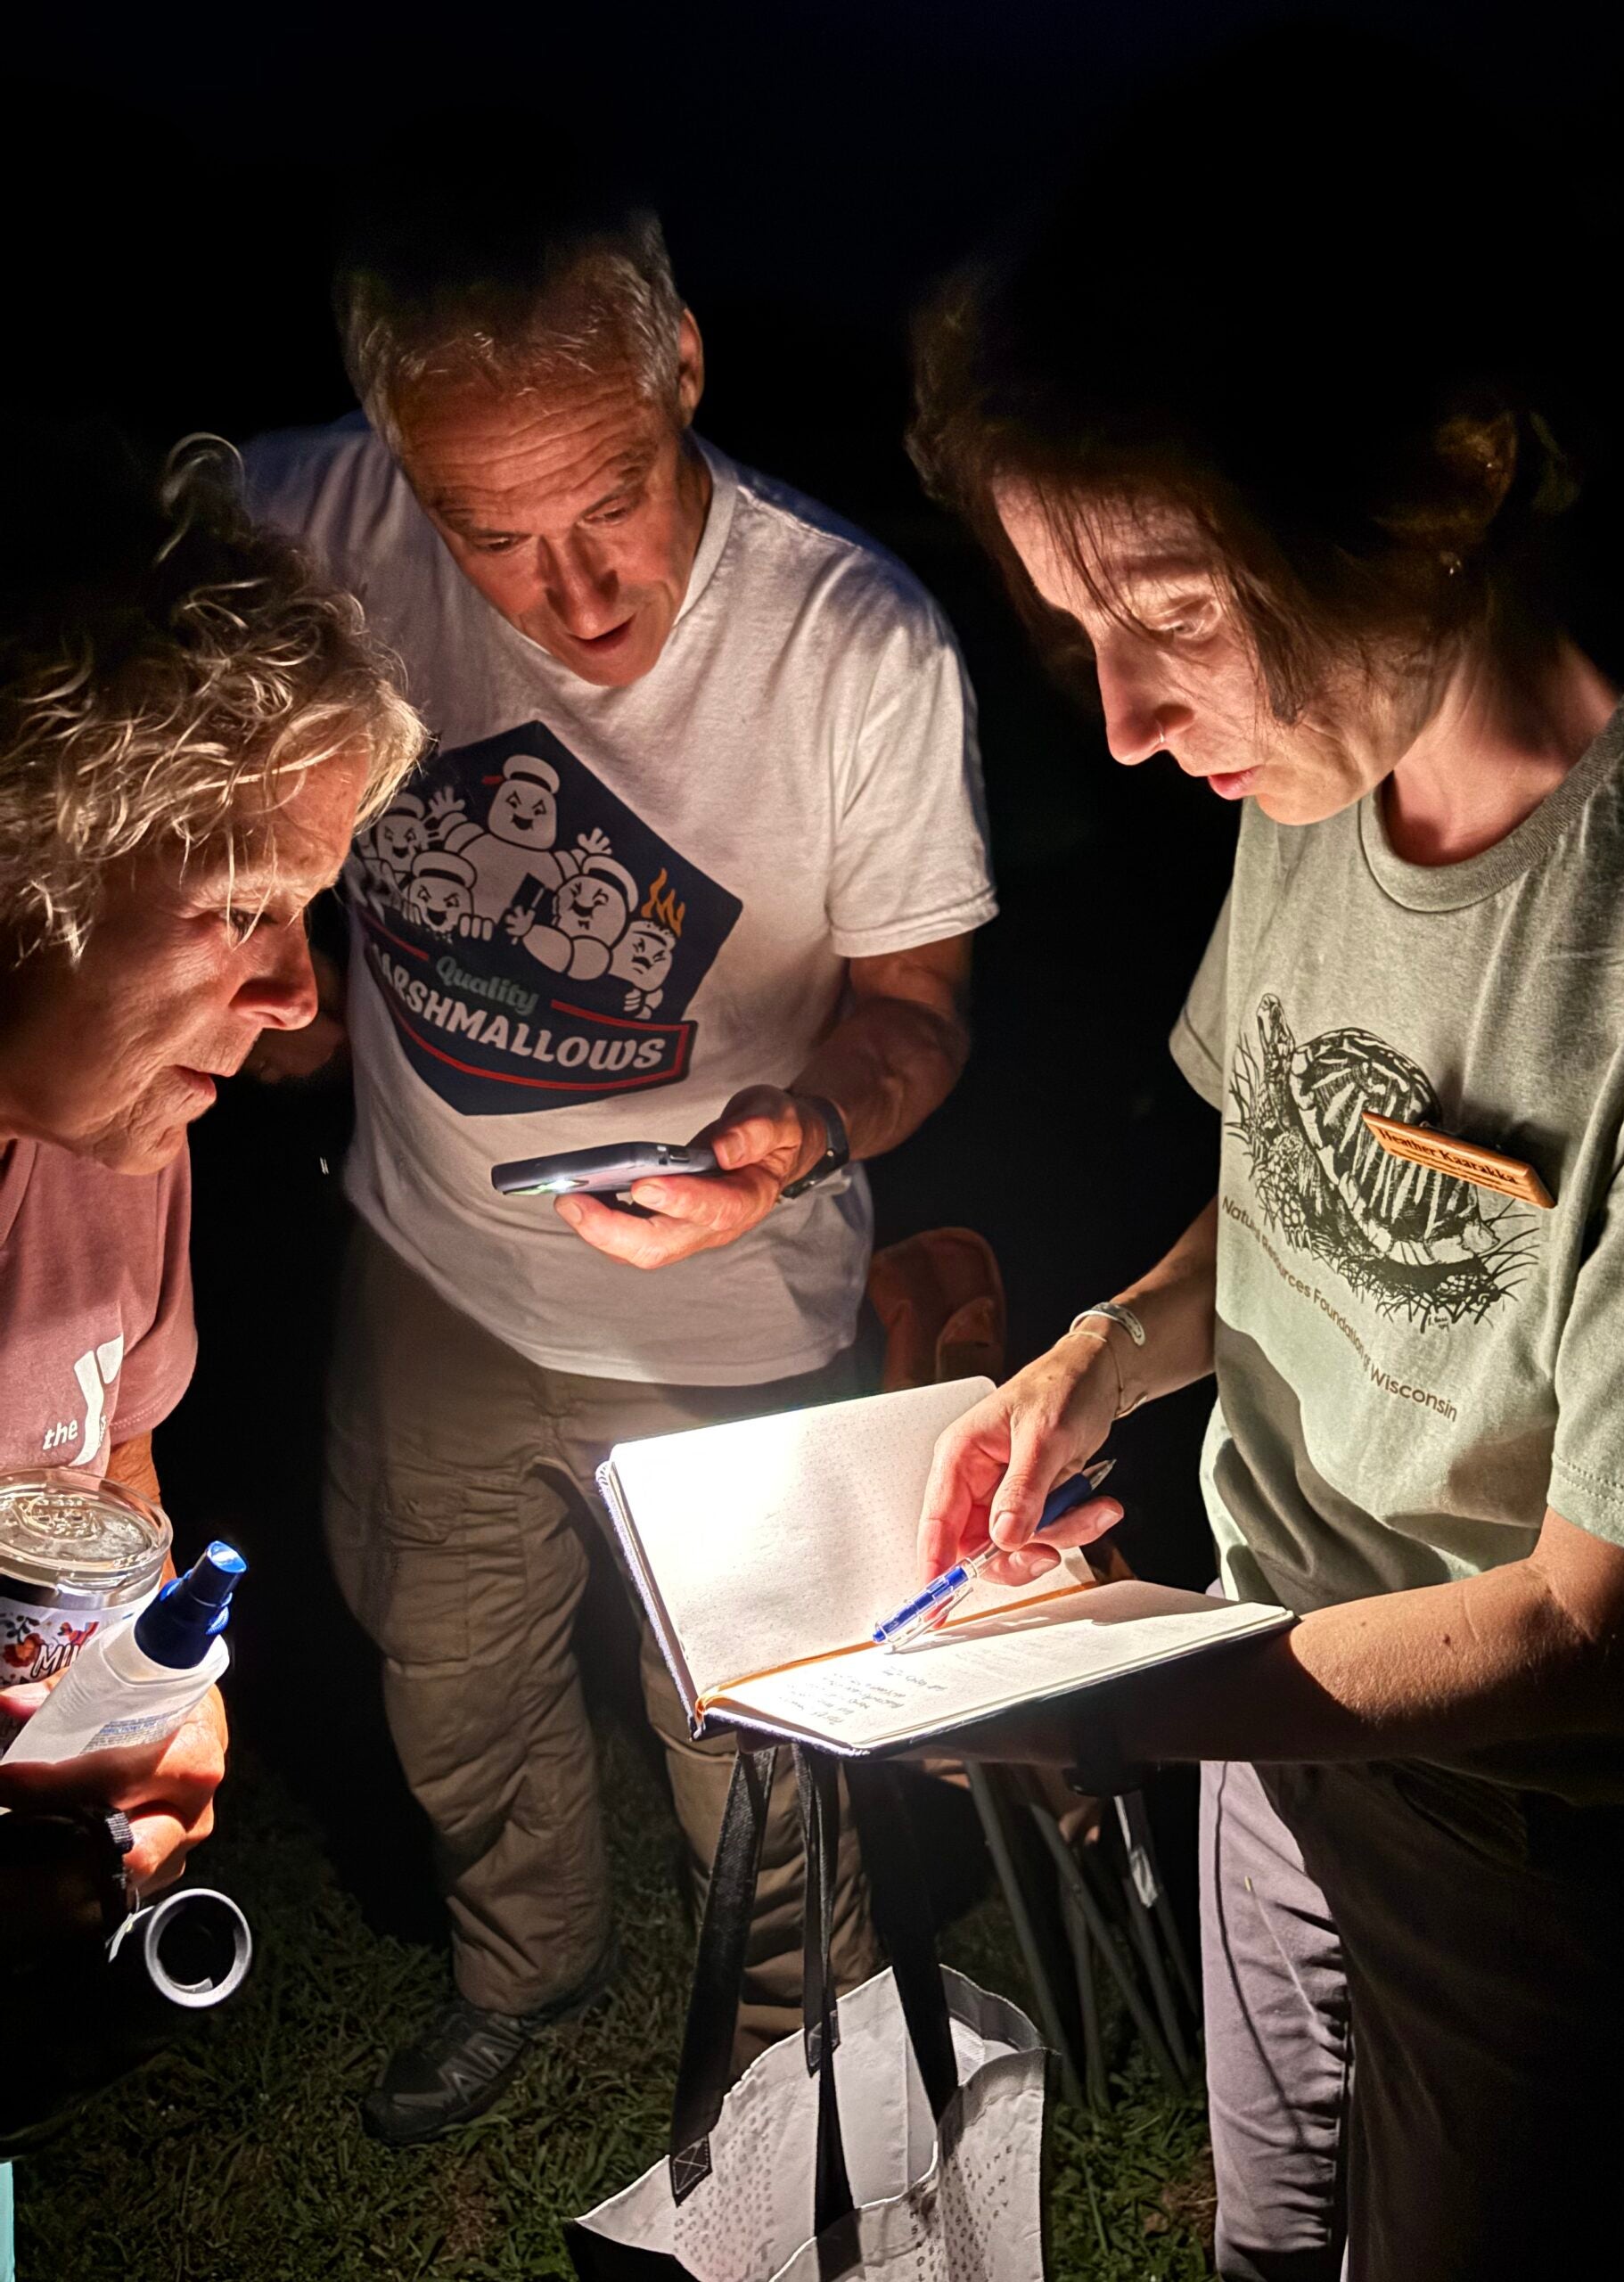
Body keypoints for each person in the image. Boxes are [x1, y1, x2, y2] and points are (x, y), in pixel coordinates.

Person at [907, 45, 1624, 2282]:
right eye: (1084, 633)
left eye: (1172, 610)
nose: (1129, 723)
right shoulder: (1320, 783)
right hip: (1277, 1706)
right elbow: (1280, 1179)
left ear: (1444, 476)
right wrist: (1109, 1346)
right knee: (1272, 2227)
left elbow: (1604, 1621)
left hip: (1537, 1833)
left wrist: (1136, 1683)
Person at [242, 150, 997, 2143]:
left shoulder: (857, 642)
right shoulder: (305, 507)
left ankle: (791, 2075)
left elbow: (918, 1006)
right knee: (450, 1666)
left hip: (732, 1316)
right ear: (400, 454)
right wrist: (265, 930)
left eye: (616, 505)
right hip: (437, 1267)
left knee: (753, 1733)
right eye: (494, 537)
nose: (578, 596)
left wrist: (802, 1130)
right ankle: (522, 1963)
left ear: (679, 362)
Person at [0, 426, 422, 2270]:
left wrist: (151, 1680)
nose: (298, 995)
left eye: (310, 914)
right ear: (39, 854)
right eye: (248, 906)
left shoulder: (126, 1141)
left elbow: (108, 1454)